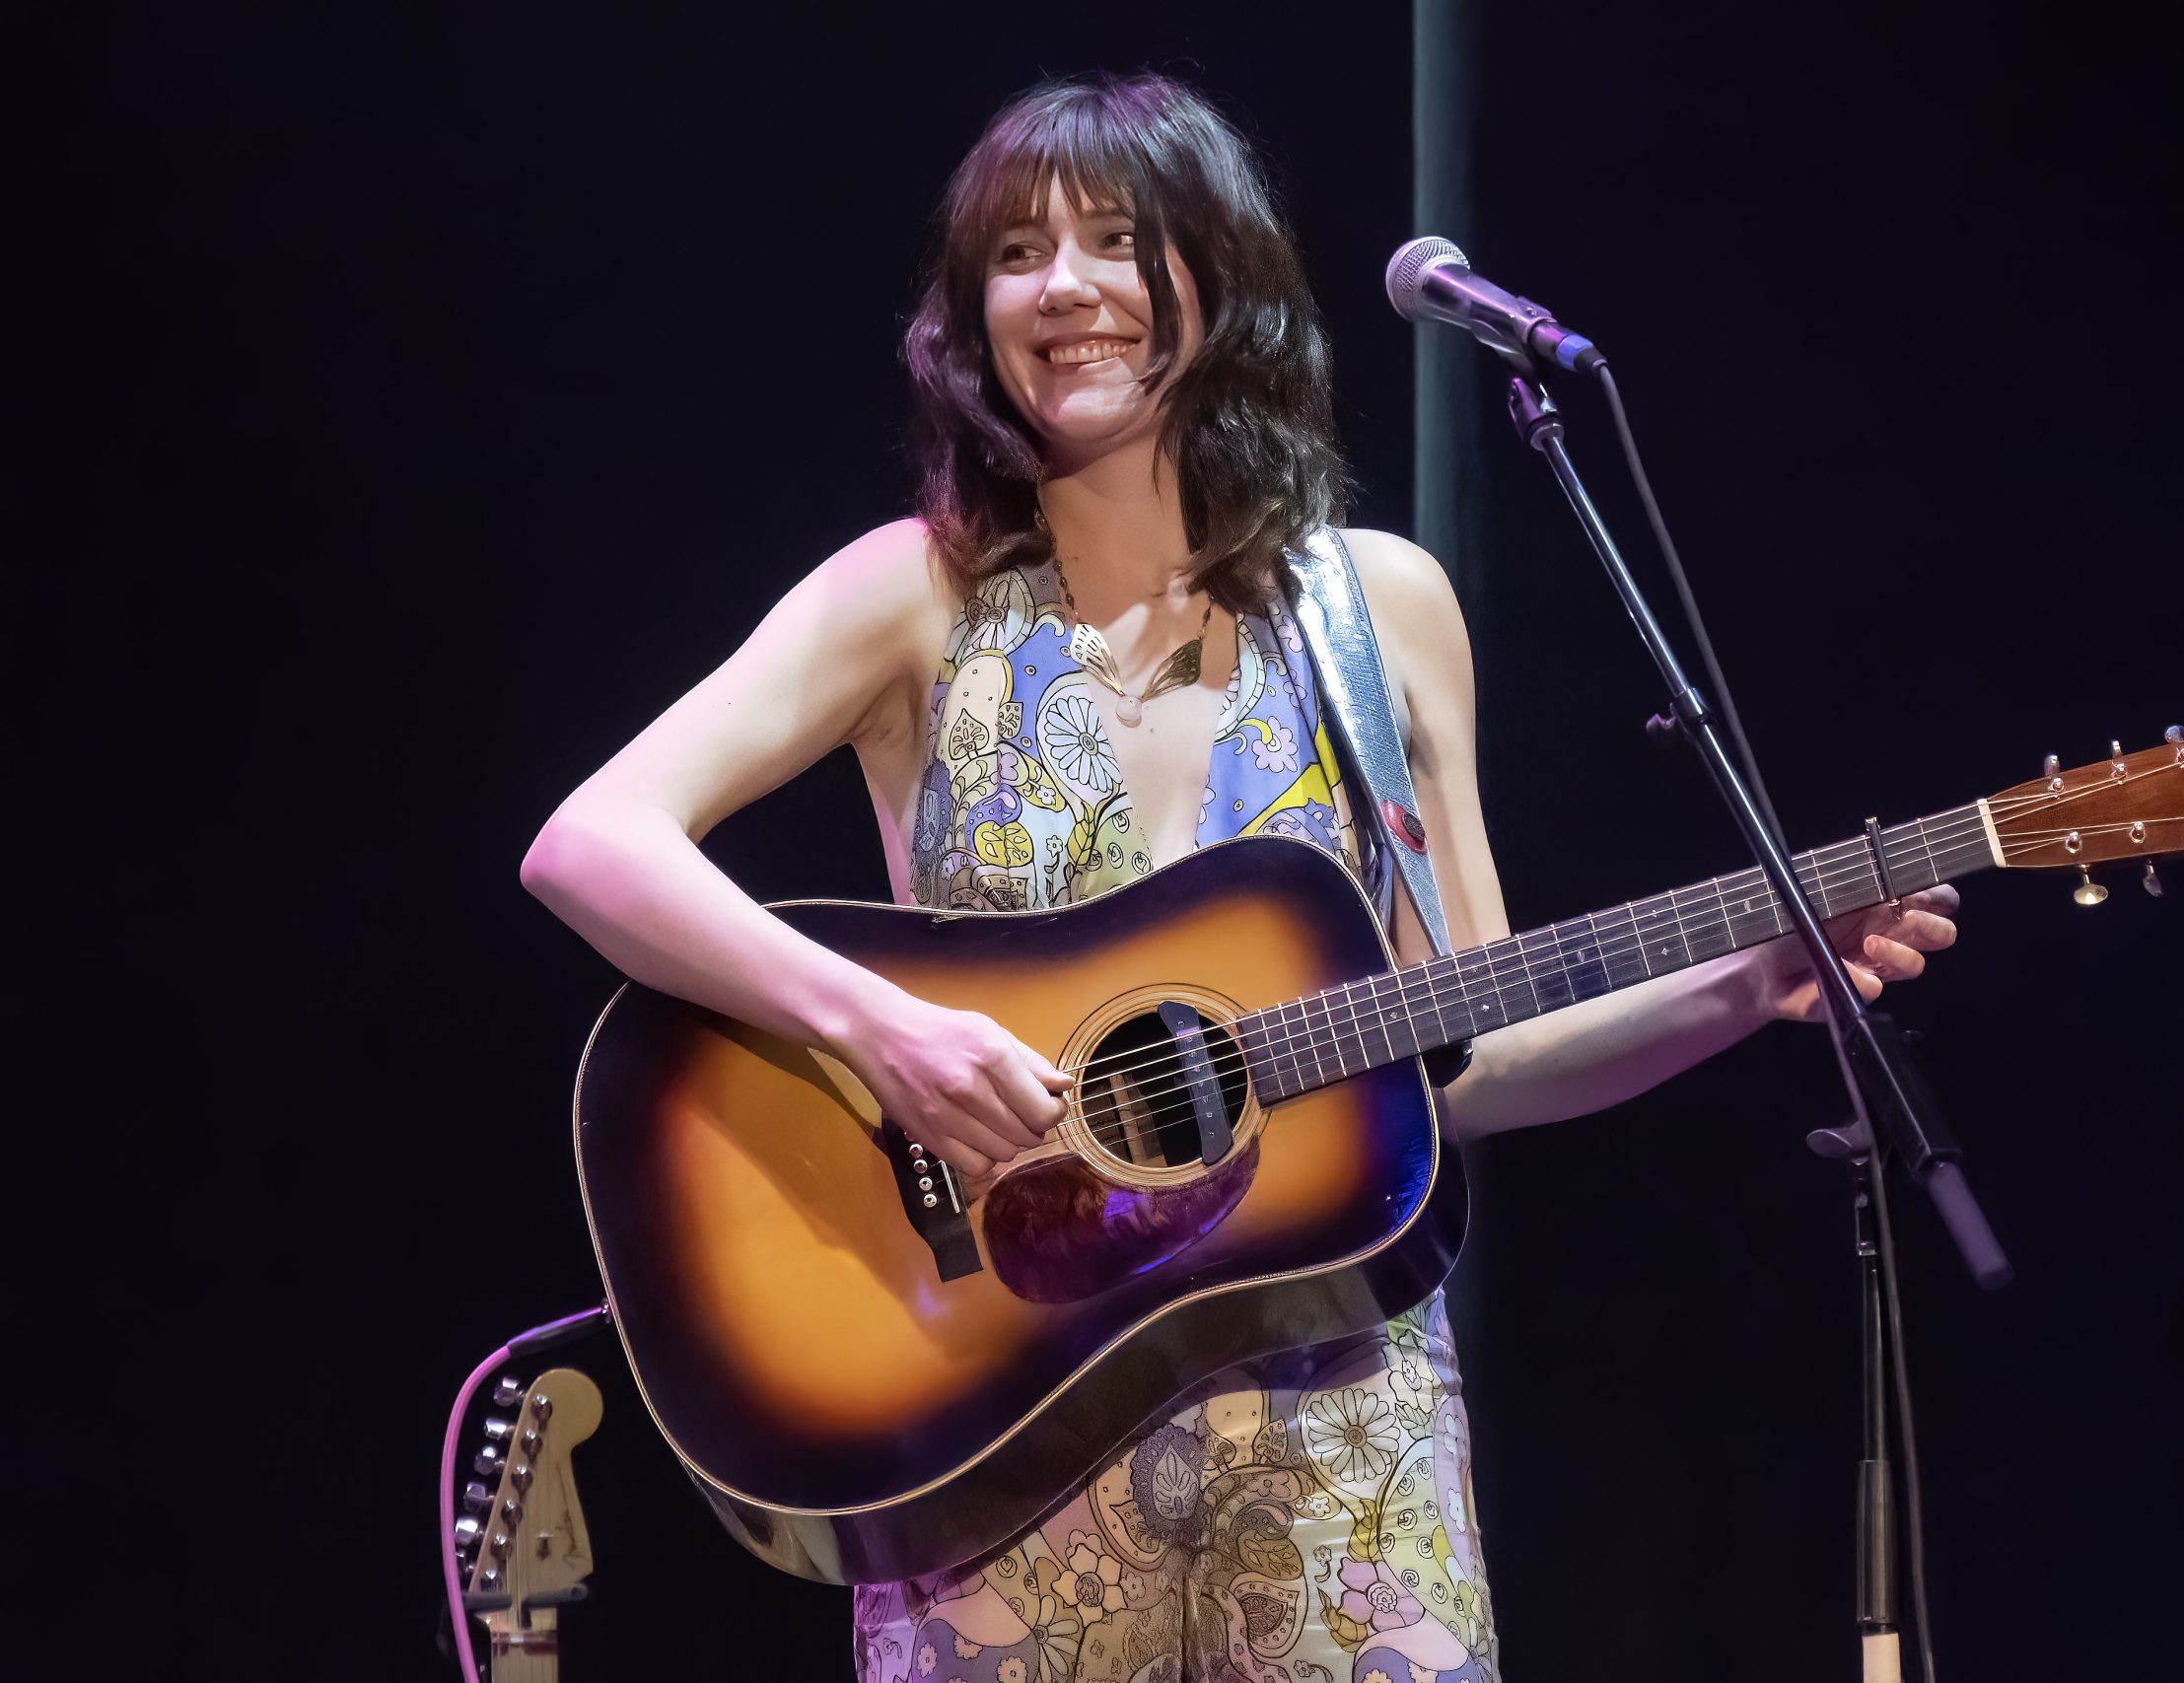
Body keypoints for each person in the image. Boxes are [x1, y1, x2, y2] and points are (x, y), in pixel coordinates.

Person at [521, 72, 1959, 1683]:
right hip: (1006, 1451)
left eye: (1116, 241)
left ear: (1217, 272)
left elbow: (1463, 1056)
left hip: (1342, 1446)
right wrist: (885, 1035)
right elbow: (592, 844)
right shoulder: (913, 598)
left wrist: (1739, 985)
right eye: (1014, 253)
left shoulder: (1379, 612)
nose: (1063, 288)